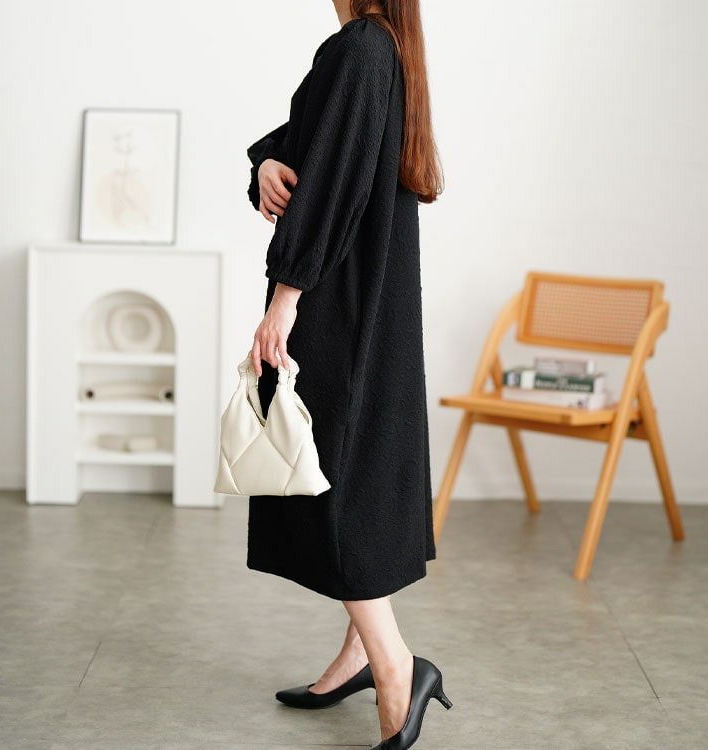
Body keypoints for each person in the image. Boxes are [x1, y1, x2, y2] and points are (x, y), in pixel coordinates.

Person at [245, 1, 448, 747]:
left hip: (339, 302)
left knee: (332, 482)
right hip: (368, 298)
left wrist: (285, 298)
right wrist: (266, 163)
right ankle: (359, 655)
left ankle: (397, 669)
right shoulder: (380, 48)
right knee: (348, 474)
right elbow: (315, 146)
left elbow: (332, 183)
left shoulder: (362, 46)